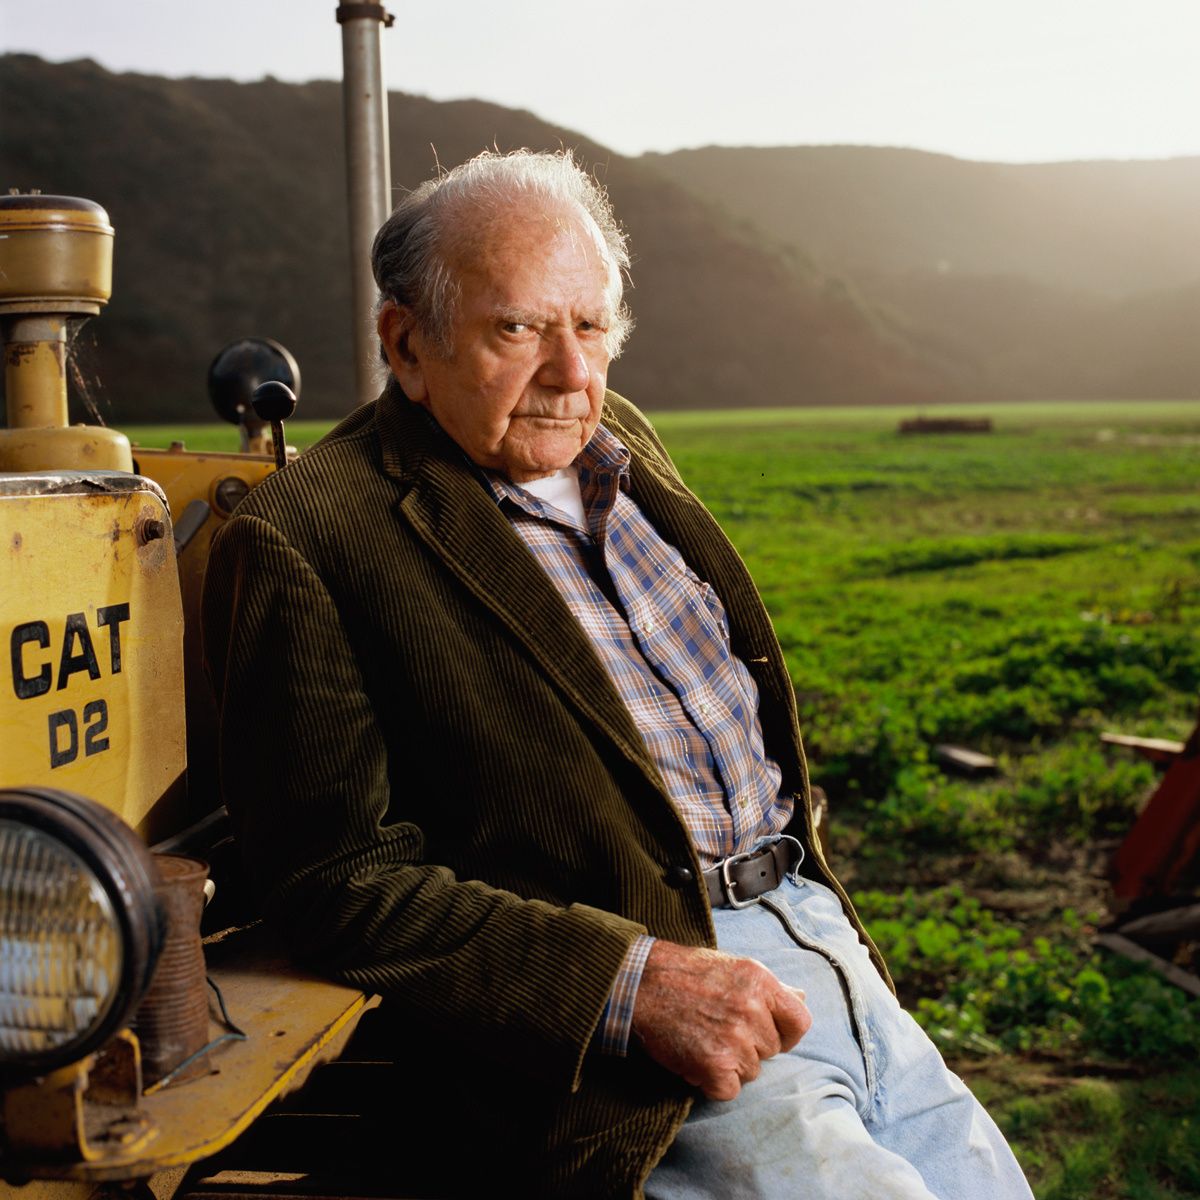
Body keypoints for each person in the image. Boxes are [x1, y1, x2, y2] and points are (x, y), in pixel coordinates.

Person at [202, 149, 1032, 1199]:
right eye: (518, 327)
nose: (569, 375)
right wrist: (631, 984)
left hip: (816, 938)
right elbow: (330, 879)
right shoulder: (309, 533)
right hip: (648, 1014)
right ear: (406, 343)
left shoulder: (619, 434)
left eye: (590, 327)